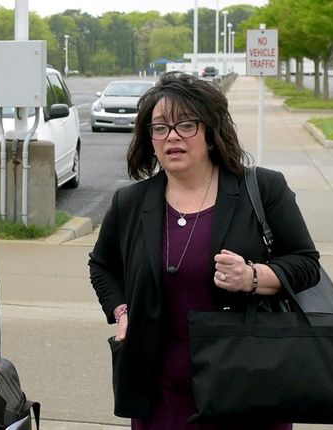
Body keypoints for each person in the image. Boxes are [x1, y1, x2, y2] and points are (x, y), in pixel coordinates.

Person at [88, 71, 320, 429]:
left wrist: (253, 277)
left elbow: (306, 264)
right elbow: (102, 266)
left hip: (247, 384)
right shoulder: (131, 202)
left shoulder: (263, 189)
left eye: (186, 125)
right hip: (159, 392)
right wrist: (121, 310)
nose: (172, 137)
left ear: (210, 132)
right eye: (160, 127)